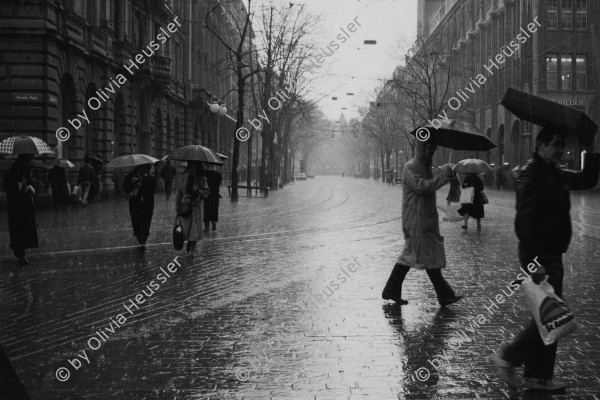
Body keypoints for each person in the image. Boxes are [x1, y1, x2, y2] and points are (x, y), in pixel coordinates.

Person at [492, 126, 600, 391]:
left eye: (563, 146)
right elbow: (524, 223)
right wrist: (533, 262)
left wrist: (588, 146)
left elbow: (586, 179)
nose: (561, 150)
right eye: (555, 145)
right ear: (541, 146)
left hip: (552, 254)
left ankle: (538, 376)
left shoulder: (554, 173)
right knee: (550, 317)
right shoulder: (533, 175)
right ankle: (508, 356)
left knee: (549, 316)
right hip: (541, 258)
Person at [381, 139, 463, 307]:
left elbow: (432, 186)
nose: (431, 151)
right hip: (416, 220)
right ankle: (445, 295)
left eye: (433, 148)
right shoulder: (410, 167)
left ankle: (392, 290)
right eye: (429, 148)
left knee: (422, 256)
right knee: (420, 256)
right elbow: (422, 187)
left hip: (426, 219)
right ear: (422, 148)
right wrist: (443, 177)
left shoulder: (426, 168)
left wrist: (450, 176)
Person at [2, 154, 38, 265]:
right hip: (17, 207)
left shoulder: (25, 170)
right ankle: (20, 254)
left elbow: (30, 183)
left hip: (25, 206)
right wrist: (20, 185)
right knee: (18, 230)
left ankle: (21, 253)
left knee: (23, 230)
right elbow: (6, 186)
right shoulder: (13, 170)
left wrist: (30, 187)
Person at [175, 162, 209, 257]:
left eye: (194, 167)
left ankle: (192, 250)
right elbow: (179, 194)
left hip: (196, 207)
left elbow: (206, 192)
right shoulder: (182, 178)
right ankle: (189, 242)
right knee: (185, 229)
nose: (191, 169)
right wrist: (177, 207)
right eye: (190, 167)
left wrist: (198, 191)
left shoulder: (202, 180)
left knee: (194, 229)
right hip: (185, 206)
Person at [122, 164, 157, 251]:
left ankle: (143, 242)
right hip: (135, 204)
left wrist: (142, 183)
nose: (143, 169)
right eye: (141, 167)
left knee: (146, 223)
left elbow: (152, 191)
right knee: (136, 223)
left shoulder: (151, 178)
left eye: (145, 167)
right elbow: (125, 188)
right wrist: (133, 185)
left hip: (147, 204)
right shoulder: (130, 176)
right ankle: (139, 239)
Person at [203, 165, 222, 233]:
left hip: (207, 198)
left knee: (206, 214)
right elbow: (219, 184)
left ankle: (206, 229)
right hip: (215, 197)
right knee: (214, 213)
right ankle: (214, 227)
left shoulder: (204, 174)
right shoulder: (218, 175)